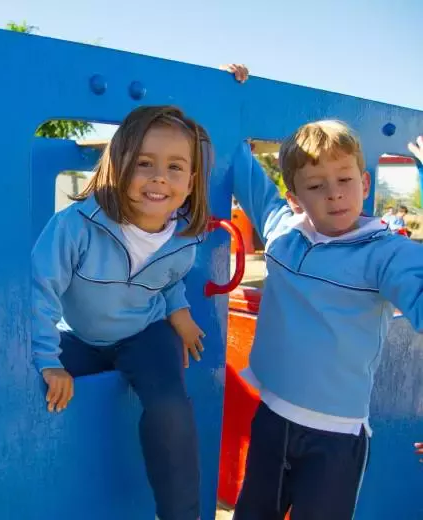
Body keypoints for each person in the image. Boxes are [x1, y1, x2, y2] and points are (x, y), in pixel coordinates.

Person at [228, 121, 423, 519]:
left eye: (345, 179)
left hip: (336, 435)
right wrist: (234, 91)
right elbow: (240, 163)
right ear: (295, 197)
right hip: (272, 418)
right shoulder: (281, 230)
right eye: (316, 185)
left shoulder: (386, 254)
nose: (334, 193)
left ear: (365, 184)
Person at [30, 104, 213, 520]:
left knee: (171, 406)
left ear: (191, 181)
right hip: (79, 336)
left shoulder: (184, 236)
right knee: (26, 381)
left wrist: (179, 312)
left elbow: (166, 280)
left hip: (144, 334)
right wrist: (47, 360)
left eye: (175, 167)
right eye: (144, 163)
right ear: (117, 165)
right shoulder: (75, 225)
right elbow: (40, 290)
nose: (159, 177)